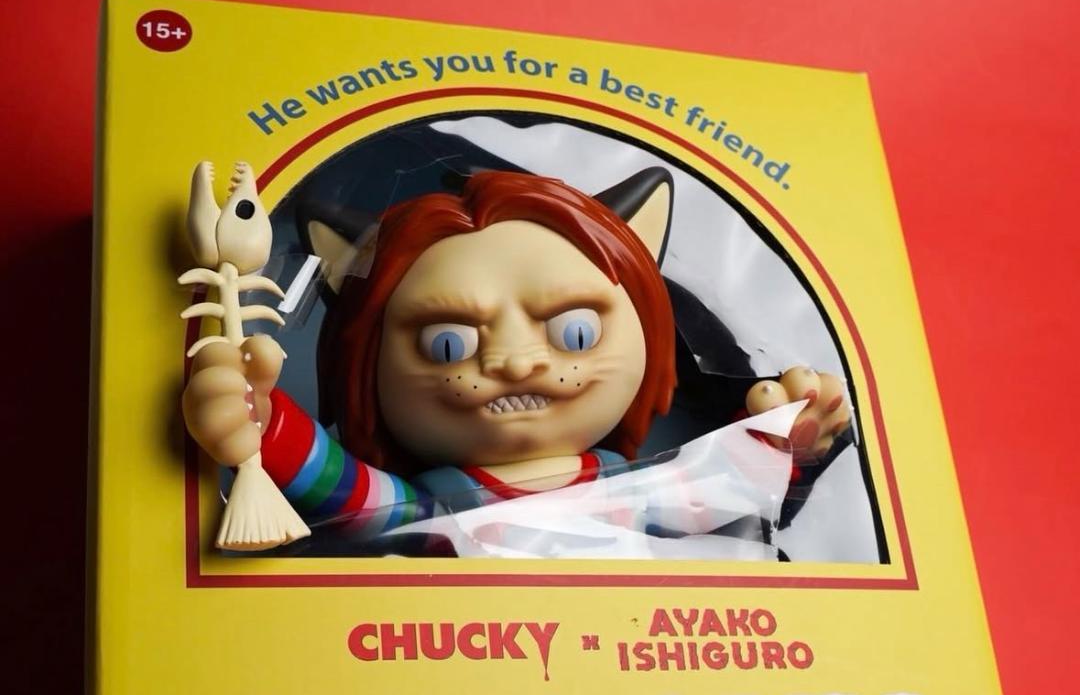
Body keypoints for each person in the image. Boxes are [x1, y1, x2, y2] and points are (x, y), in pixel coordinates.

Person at [182, 169, 849, 548]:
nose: (517, 362)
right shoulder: (435, 505)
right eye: (450, 343)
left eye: (575, 332)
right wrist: (262, 421)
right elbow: (348, 491)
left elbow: (717, 494)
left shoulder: (631, 489)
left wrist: (786, 444)